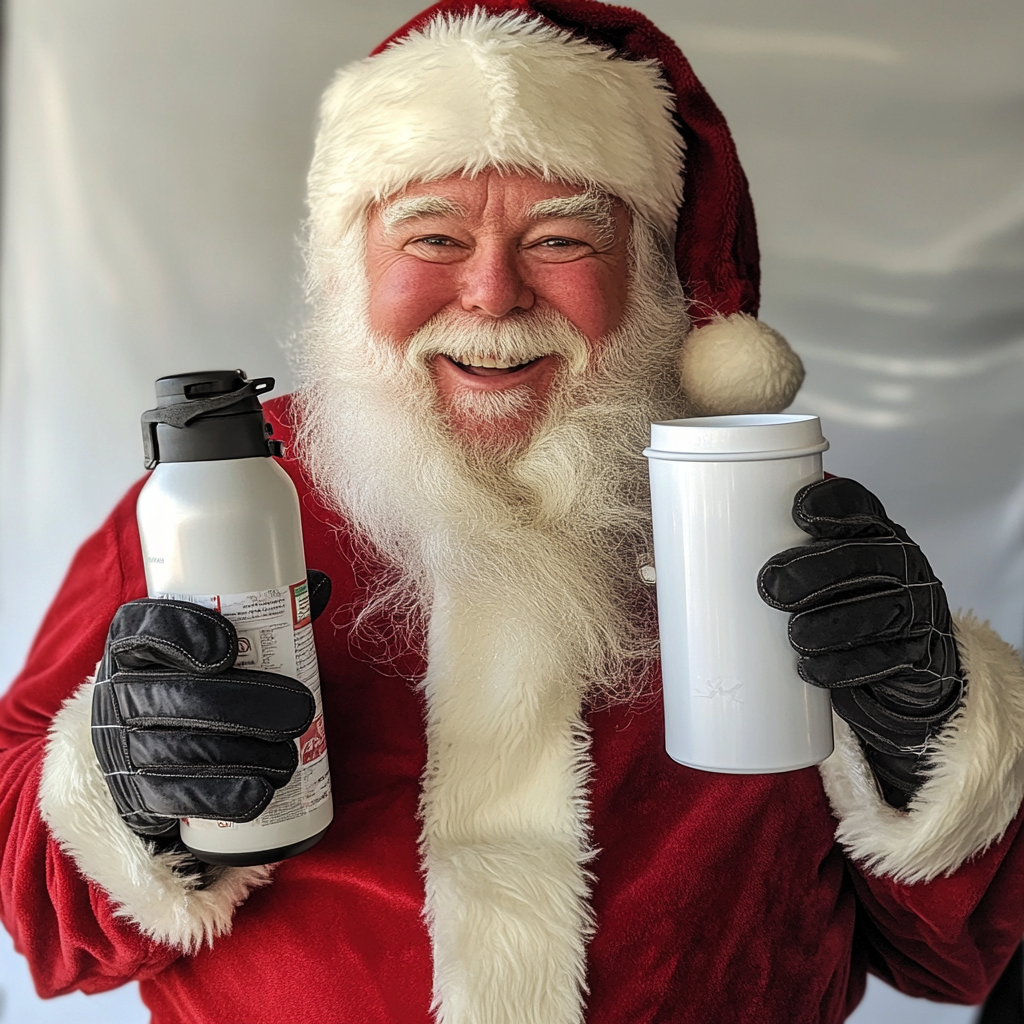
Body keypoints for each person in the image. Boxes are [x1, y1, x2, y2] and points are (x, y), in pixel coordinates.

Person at [2, 2, 1024, 1022]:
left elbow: (961, 956)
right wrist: (125, 788)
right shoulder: (218, 494)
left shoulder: (763, 503)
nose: (491, 293)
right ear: (349, 264)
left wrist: (930, 731)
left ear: (650, 279)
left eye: (562, 238)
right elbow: (29, 905)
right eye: (434, 235)